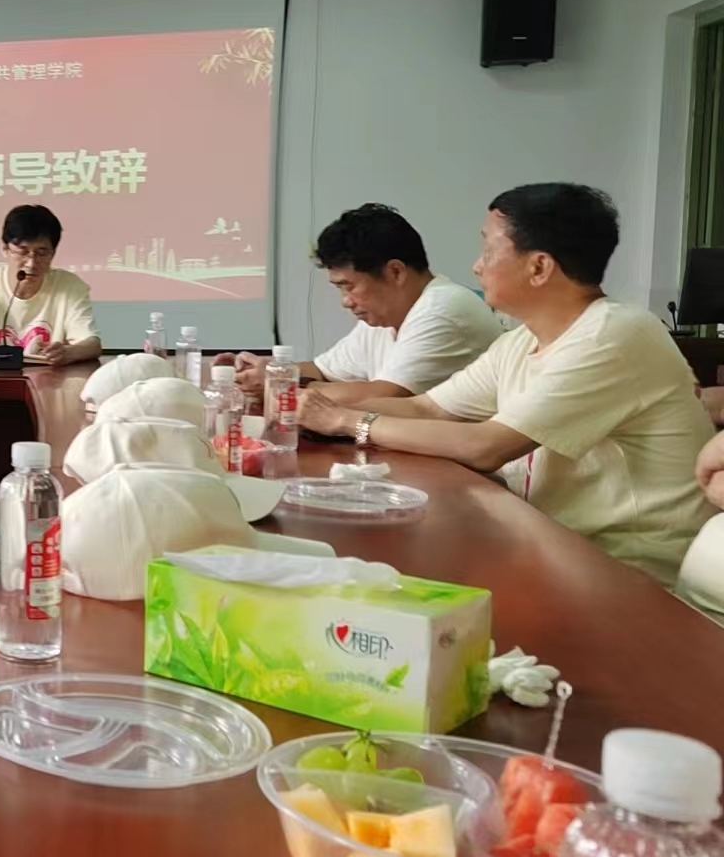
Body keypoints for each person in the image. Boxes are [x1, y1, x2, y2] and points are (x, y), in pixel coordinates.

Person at [300, 183, 716, 585]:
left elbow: (487, 446)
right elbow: (427, 407)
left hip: (630, 574)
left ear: (539, 267)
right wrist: (312, 411)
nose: (476, 266)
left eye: (488, 250)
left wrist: (348, 422)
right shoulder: (521, 341)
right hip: (553, 547)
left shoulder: (613, 335)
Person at [231, 204, 501, 403]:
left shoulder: (442, 309)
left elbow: (385, 397)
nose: (345, 302)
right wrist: (264, 372)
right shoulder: (386, 317)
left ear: (395, 272)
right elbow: (324, 371)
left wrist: (280, 383)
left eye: (349, 286)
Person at [0, 205, 101, 367]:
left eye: (42, 253)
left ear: (53, 253)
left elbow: (92, 344)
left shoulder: (70, 287)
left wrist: (69, 352)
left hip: (49, 378)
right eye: (23, 251)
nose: (31, 263)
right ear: (5, 249)